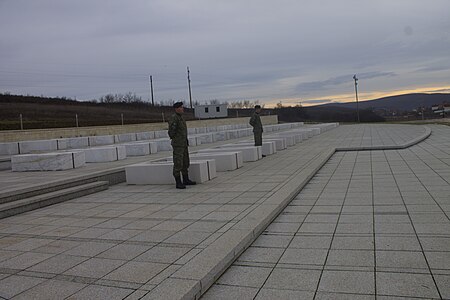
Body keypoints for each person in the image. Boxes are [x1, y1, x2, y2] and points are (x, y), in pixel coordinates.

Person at [168, 101, 196, 189]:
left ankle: (186, 179)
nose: (182, 109)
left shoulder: (181, 118)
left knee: (185, 162)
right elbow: (171, 132)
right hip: (178, 144)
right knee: (178, 163)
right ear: (176, 109)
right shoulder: (174, 118)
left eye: (182, 107)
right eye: (181, 107)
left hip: (183, 144)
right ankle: (178, 182)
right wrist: (176, 140)